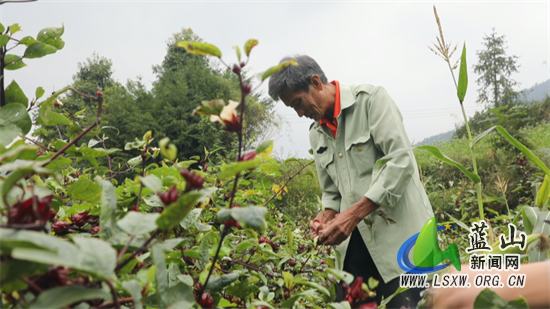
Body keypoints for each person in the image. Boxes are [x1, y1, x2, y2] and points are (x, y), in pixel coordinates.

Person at [268, 55, 434, 308]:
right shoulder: (316, 132)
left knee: (408, 303)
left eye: (299, 103)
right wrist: (326, 217)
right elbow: (331, 192)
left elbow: (401, 163)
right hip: (356, 240)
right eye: (293, 108)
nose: (300, 113)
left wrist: (353, 215)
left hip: (402, 238)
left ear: (316, 82)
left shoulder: (372, 101)